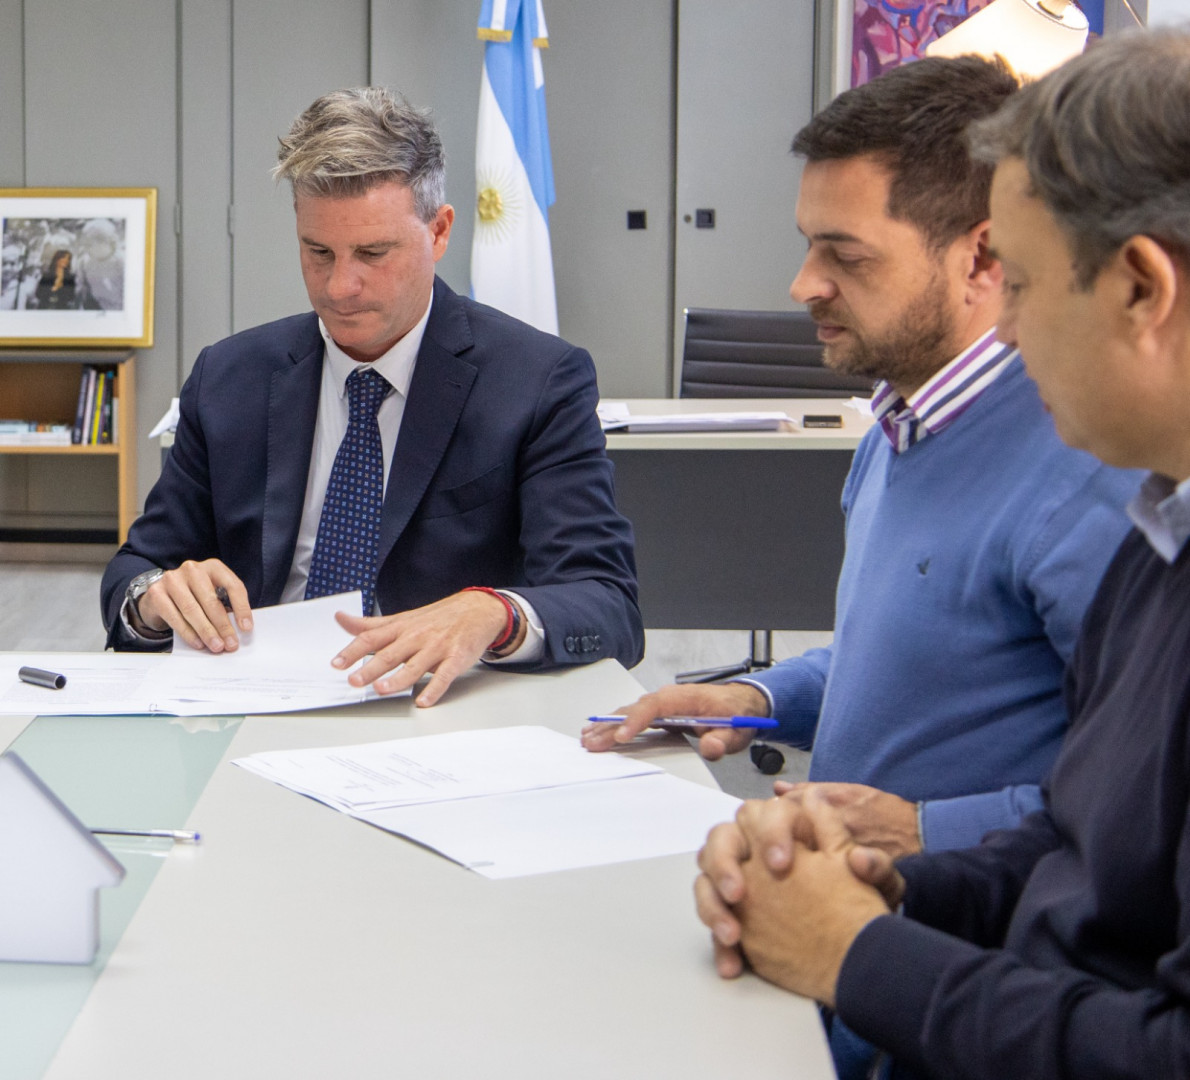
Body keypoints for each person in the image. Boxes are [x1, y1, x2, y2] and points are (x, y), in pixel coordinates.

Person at [584, 55, 1141, 1077]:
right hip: (861, 948)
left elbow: (1128, 809)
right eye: (807, 245)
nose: (803, 284)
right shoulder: (899, 419)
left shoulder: (1090, 467)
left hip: (965, 994)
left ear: (981, 258)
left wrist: (923, 830)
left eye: (843, 254)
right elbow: (918, 648)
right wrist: (756, 697)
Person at [102, 87, 643, 706]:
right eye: (318, 252)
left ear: (439, 232)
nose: (340, 287)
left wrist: (494, 613)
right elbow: (135, 570)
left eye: (372, 253)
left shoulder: (537, 380)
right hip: (253, 701)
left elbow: (608, 604)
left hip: (441, 707)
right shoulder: (229, 376)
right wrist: (154, 598)